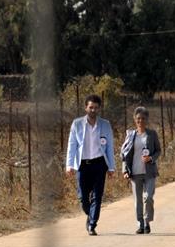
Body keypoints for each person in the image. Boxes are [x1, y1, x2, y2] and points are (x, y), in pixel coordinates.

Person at [66, 94, 115, 236]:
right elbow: (72, 145)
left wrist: (111, 167)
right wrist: (69, 165)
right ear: (86, 108)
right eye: (90, 107)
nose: (93, 110)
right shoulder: (77, 124)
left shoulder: (105, 125)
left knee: (97, 197)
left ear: (99, 109)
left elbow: (110, 147)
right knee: (83, 197)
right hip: (83, 165)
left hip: (99, 164)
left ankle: (92, 224)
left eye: (96, 108)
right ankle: (90, 214)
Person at [120, 106, 162, 234]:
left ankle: (147, 221)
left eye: (143, 118)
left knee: (148, 197)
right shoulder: (131, 135)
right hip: (135, 172)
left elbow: (158, 150)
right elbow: (124, 154)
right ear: (134, 119)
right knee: (138, 200)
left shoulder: (152, 134)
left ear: (147, 120)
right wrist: (124, 170)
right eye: (138, 118)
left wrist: (151, 158)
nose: (140, 121)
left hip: (149, 172)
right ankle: (141, 224)